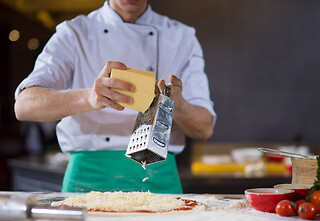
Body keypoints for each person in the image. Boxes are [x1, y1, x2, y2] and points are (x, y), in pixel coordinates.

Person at [14, 0, 216, 194]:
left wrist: (177, 106)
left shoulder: (182, 37)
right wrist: (90, 97)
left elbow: (204, 128)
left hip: (158, 176)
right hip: (88, 178)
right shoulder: (74, 33)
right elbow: (24, 105)